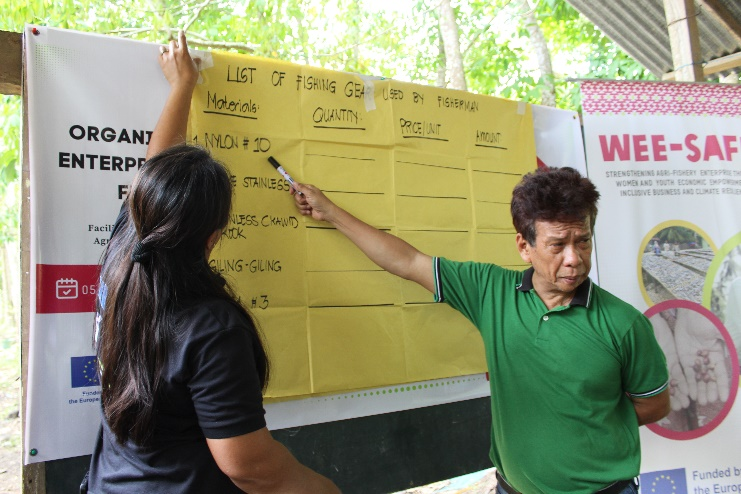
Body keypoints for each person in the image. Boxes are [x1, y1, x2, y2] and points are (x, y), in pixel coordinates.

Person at [292, 166, 670, 494]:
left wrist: (583, 420)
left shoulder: (624, 324)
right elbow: (406, 261)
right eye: (557, 245)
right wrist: (330, 212)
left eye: (583, 241)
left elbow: (654, 404)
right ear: (524, 246)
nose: (574, 258)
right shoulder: (491, 291)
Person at [86, 31, 340, 494]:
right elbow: (250, 467)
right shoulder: (210, 329)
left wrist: (182, 85)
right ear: (214, 237)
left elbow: (157, 167)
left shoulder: (126, 251)